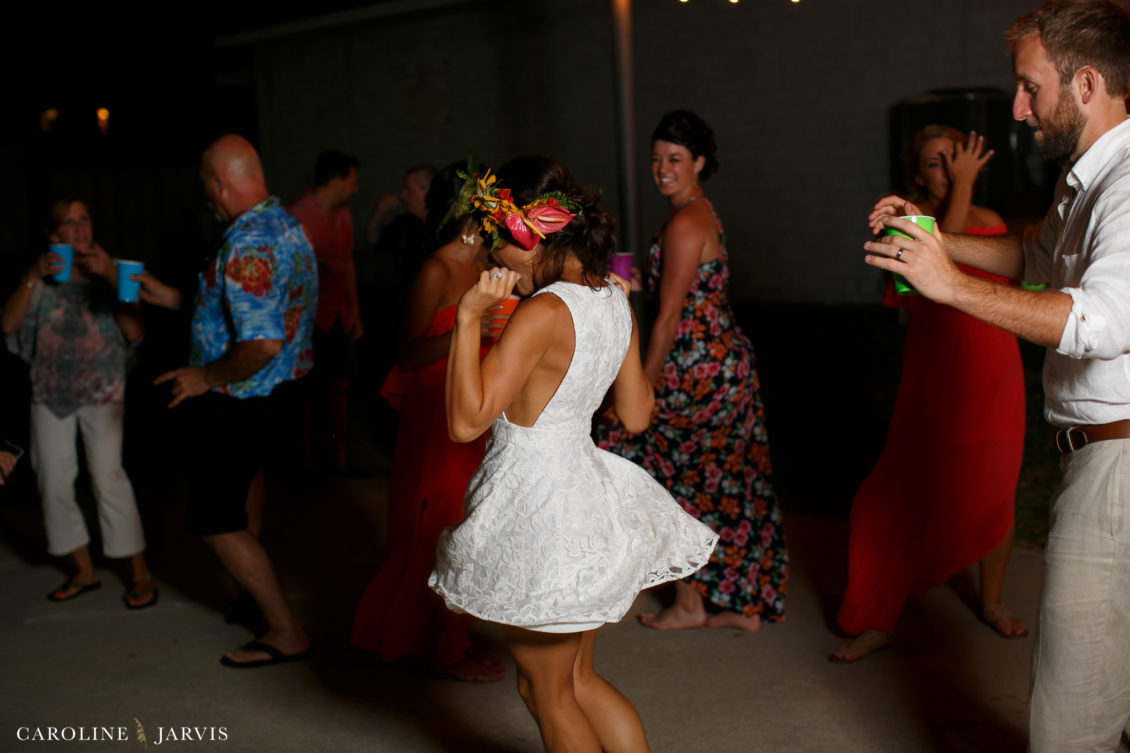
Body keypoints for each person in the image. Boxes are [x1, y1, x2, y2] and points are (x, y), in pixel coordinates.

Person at [863, 1, 1130, 748]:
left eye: (1029, 87)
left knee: (1072, 725)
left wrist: (949, 287)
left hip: (1118, 469)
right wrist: (933, 241)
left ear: (1085, 84)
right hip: (1105, 458)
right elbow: (1031, 255)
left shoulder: (1125, 185)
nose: (1017, 108)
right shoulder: (1087, 178)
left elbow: (1102, 321)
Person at [428, 156, 717, 753]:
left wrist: (467, 318)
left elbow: (464, 421)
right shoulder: (611, 295)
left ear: (529, 238)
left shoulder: (542, 312)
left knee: (547, 693)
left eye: (496, 250)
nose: (492, 265)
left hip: (538, 508)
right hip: (583, 496)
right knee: (578, 681)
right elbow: (636, 416)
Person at [832, 125, 1028, 663]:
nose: (948, 170)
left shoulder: (993, 221)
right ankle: (878, 617)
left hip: (994, 371)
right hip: (936, 375)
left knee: (995, 488)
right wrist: (961, 187)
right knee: (898, 496)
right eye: (936, 163)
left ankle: (992, 602)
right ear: (918, 174)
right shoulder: (907, 223)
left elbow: (1016, 279)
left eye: (954, 159)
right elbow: (941, 273)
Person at [596, 110, 787, 632]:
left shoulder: (684, 222)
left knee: (650, 464)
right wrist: (645, 279)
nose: (662, 169)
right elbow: (692, 288)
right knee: (722, 479)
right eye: (656, 158)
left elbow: (669, 316)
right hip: (722, 362)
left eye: (675, 159)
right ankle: (739, 603)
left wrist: (642, 385)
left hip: (696, 369)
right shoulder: (699, 212)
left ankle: (688, 602)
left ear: (699, 162)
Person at [134, 134, 317, 668]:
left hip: (240, 396)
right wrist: (171, 297)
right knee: (244, 484)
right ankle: (248, 590)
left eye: (204, 185)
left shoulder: (247, 243)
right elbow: (245, 305)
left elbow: (261, 342)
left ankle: (285, 630)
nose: (205, 196)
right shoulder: (283, 223)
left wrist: (203, 377)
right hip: (279, 390)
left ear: (218, 183)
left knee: (214, 520)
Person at [351, 159, 503, 682]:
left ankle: (453, 637)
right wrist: (470, 327)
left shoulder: (487, 264)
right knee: (439, 527)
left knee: (469, 524)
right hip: (436, 410)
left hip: (474, 406)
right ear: (469, 211)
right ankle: (442, 648)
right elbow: (408, 353)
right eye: (490, 203)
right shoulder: (437, 269)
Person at [1, 198, 156, 609]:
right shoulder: (42, 275)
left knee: (108, 477)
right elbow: (8, 324)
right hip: (50, 391)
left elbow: (134, 331)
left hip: (103, 390)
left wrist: (109, 276)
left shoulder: (113, 268)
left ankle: (140, 572)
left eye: (84, 218)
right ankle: (84, 570)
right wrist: (32, 275)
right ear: (53, 235)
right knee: (53, 482)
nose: (80, 228)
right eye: (69, 223)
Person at [287, 150, 363, 476]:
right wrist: (324, 261)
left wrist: (355, 310)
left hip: (337, 313)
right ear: (335, 181)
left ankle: (340, 458)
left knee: (340, 386)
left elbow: (347, 264)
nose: (355, 189)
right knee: (305, 391)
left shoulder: (343, 216)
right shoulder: (296, 215)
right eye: (352, 181)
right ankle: (305, 461)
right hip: (307, 317)